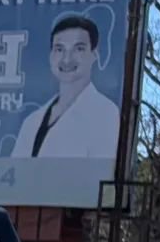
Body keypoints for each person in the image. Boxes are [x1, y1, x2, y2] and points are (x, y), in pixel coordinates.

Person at [11, 15, 120, 160]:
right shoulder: (31, 122)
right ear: (50, 56)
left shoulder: (105, 113)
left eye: (78, 49)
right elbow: (15, 175)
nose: (67, 59)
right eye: (59, 49)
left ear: (94, 54)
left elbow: (100, 175)